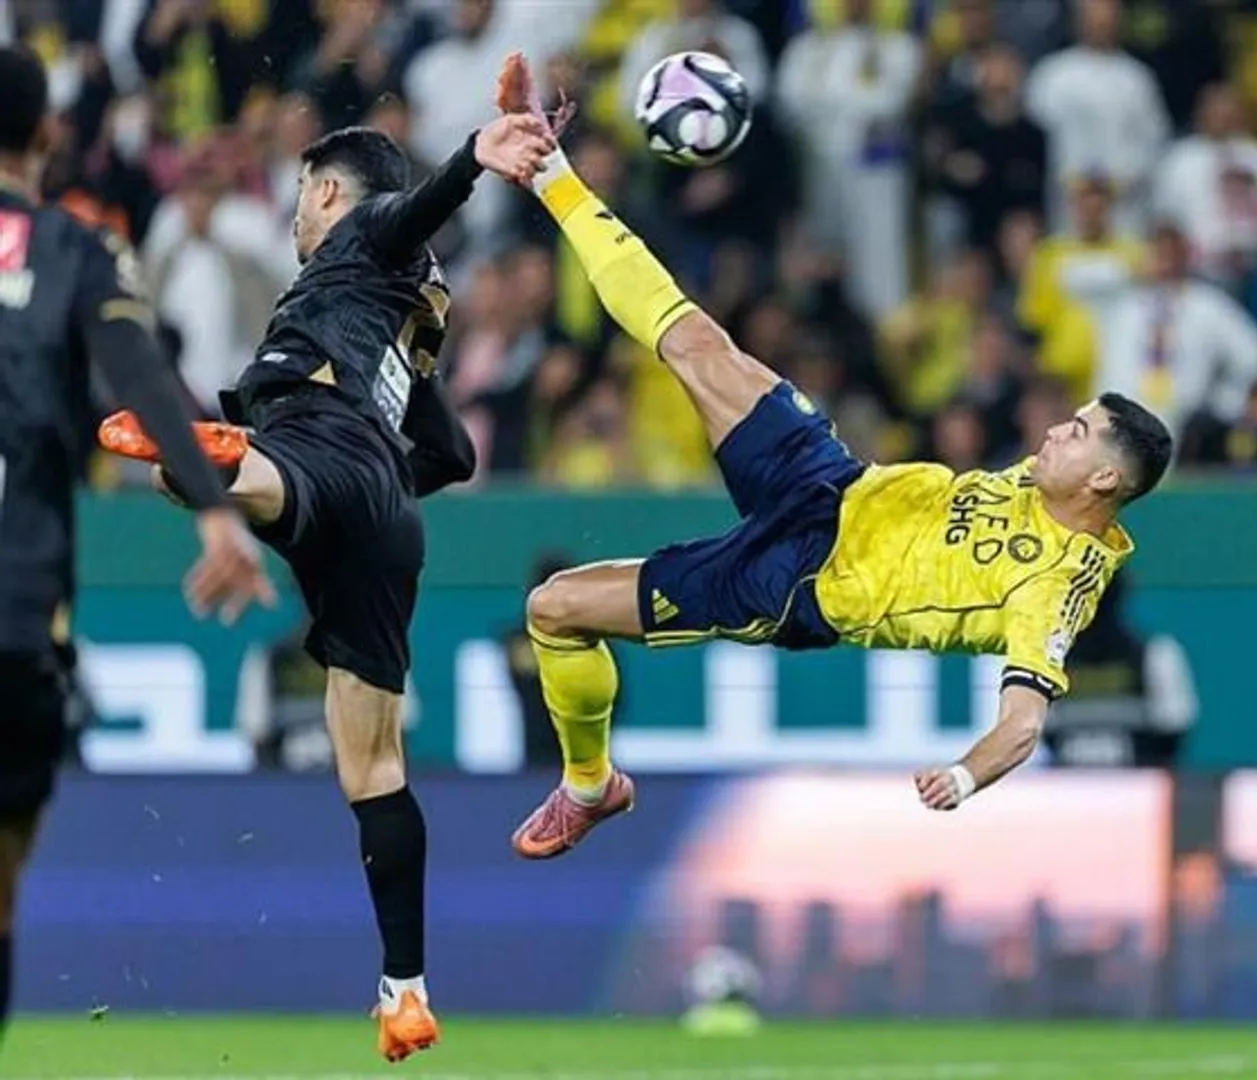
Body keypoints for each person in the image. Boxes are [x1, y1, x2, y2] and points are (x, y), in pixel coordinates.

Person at [490, 53, 1172, 857]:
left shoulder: (1057, 584)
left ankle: (589, 785)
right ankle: (549, 170)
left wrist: (964, 776)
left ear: (1104, 478)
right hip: (832, 481)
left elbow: (1023, 722)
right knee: (696, 341)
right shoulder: (1043, 481)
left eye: (1078, 432)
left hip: (796, 580)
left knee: (555, 608)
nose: (1056, 430)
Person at [97, 104, 552, 1060]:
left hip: (315, 440)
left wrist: (475, 157)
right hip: (388, 515)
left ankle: (225, 464)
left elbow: (410, 211)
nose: (298, 214)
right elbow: (455, 454)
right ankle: (405, 988)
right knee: (373, 769)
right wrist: (374, 486)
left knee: (242, 473)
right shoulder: (409, 319)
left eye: (304, 195)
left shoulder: (364, 237)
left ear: (332, 192)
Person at [0, 44, 274, 1046]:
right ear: (48, 133)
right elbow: (142, 376)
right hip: (16, 615)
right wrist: (215, 511)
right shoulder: (76, 250)